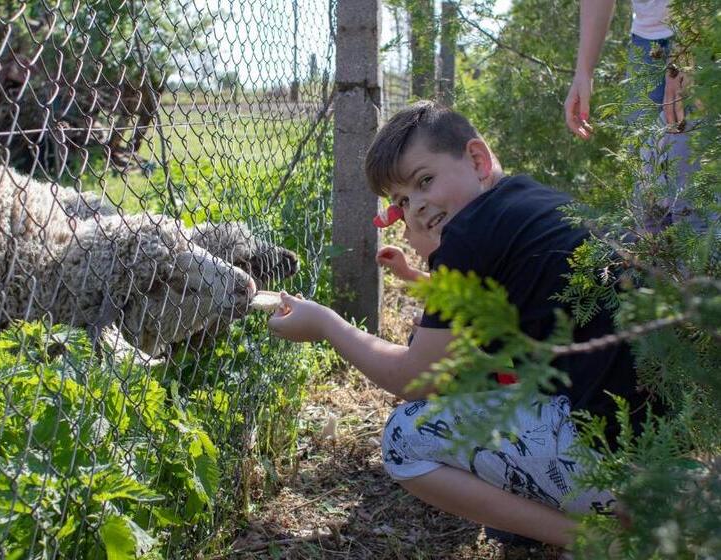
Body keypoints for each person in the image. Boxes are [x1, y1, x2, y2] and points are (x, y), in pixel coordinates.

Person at [267, 101, 650, 548]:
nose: (417, 207)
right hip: (658, 442)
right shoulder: (527, 203)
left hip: (611, 458)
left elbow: (414, 379)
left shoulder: (469, 233)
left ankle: (599, 542)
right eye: (403, 201)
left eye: (425, 181)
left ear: (477, 159)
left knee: (405, 437)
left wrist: (328, 326)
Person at [564, 0, 701, 231]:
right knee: (649, 218)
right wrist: (583, 71)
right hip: (645, 48)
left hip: (703, 32)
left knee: (696, 215)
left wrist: (687, 46)